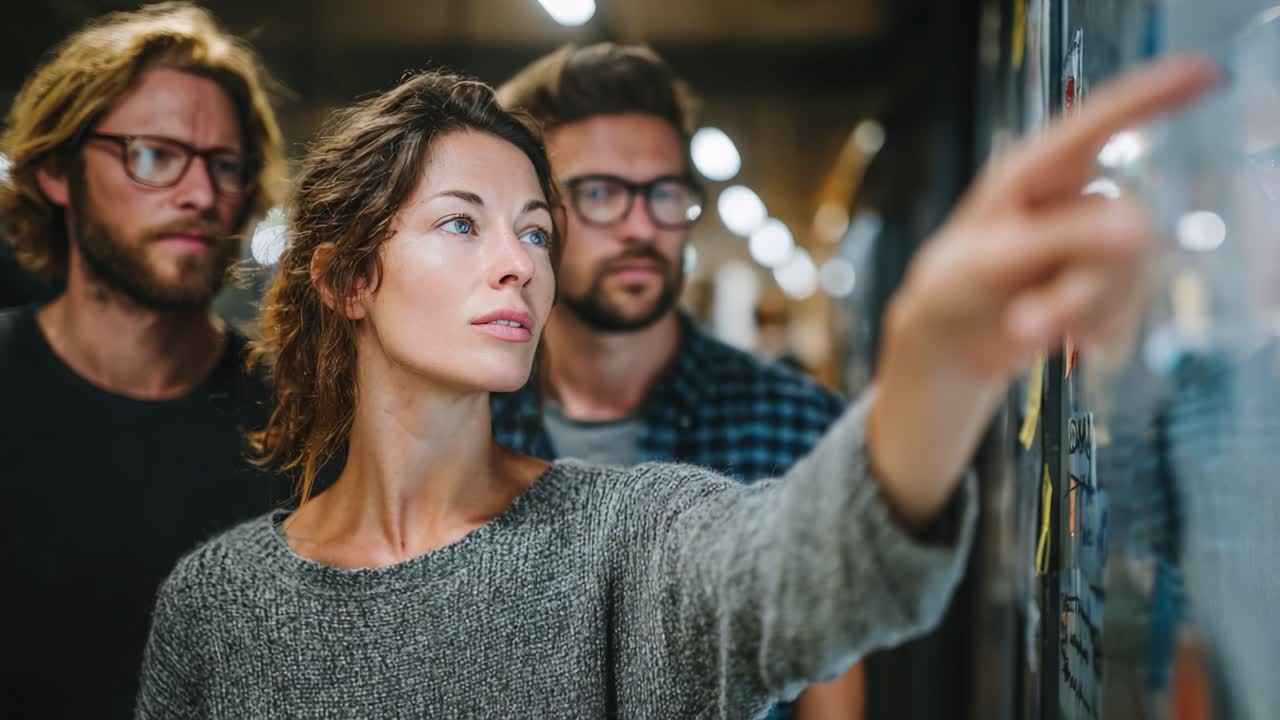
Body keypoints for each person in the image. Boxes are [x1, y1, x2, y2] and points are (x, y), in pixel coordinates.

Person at [135, 57, 1217, 719]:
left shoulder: (632, 536)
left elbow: (801, 569)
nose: (518, 262)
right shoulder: (215, 601)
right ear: (346, 275)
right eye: (461, 222)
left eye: (535, 231)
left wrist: (932, 365)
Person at [493, 46, 859, 716]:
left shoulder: (799, 429)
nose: (642, 227)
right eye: (600, 193)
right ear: (533, 218)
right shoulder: (468, 420)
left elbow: (830, 702)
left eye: (665, 194)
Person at [0, 4, 287, 715]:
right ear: (58, 172)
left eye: (225, 165)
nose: (199, 195)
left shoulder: (305, 424)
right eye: (153, 155)